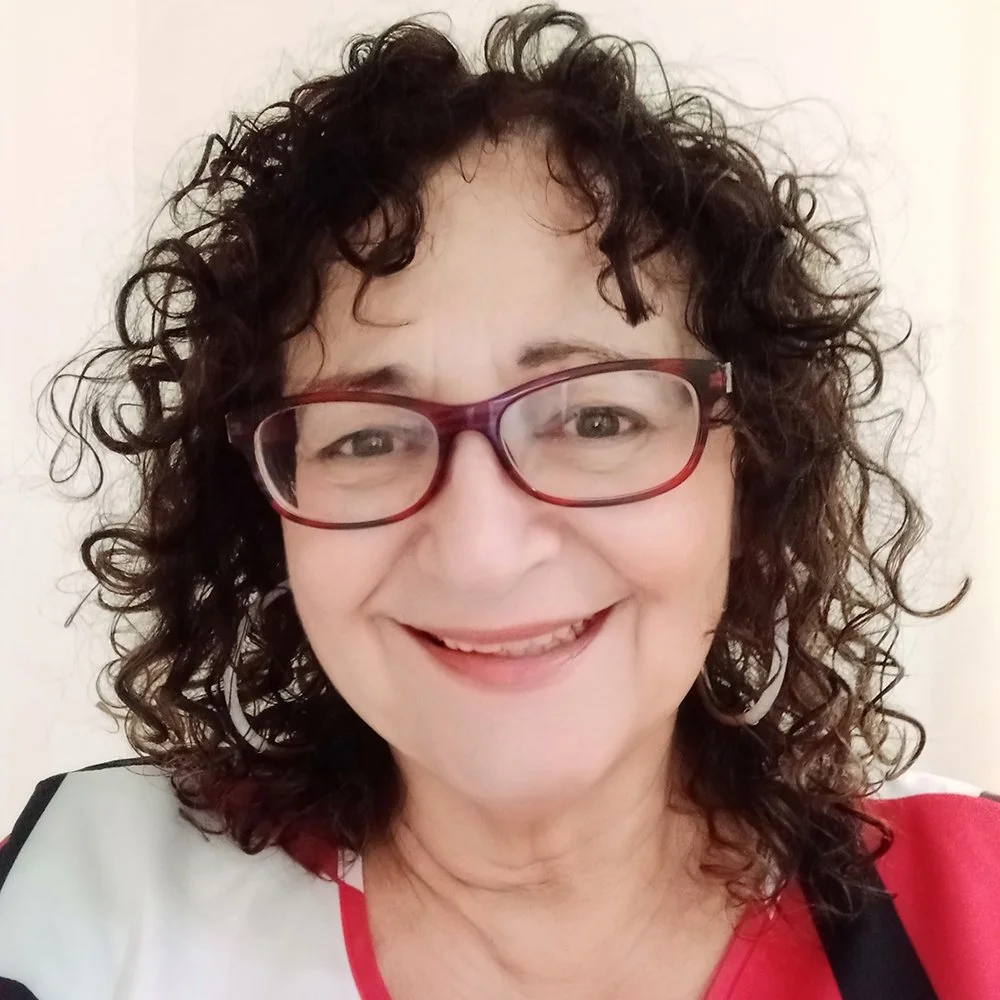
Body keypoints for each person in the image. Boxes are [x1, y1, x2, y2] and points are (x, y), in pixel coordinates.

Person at [1, 6, 997, 999]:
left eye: (595, 420)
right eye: (368, 436)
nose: (481, 549)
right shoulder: (84, 904)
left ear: (752, 476)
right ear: (271, 513)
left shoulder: (971, 894)